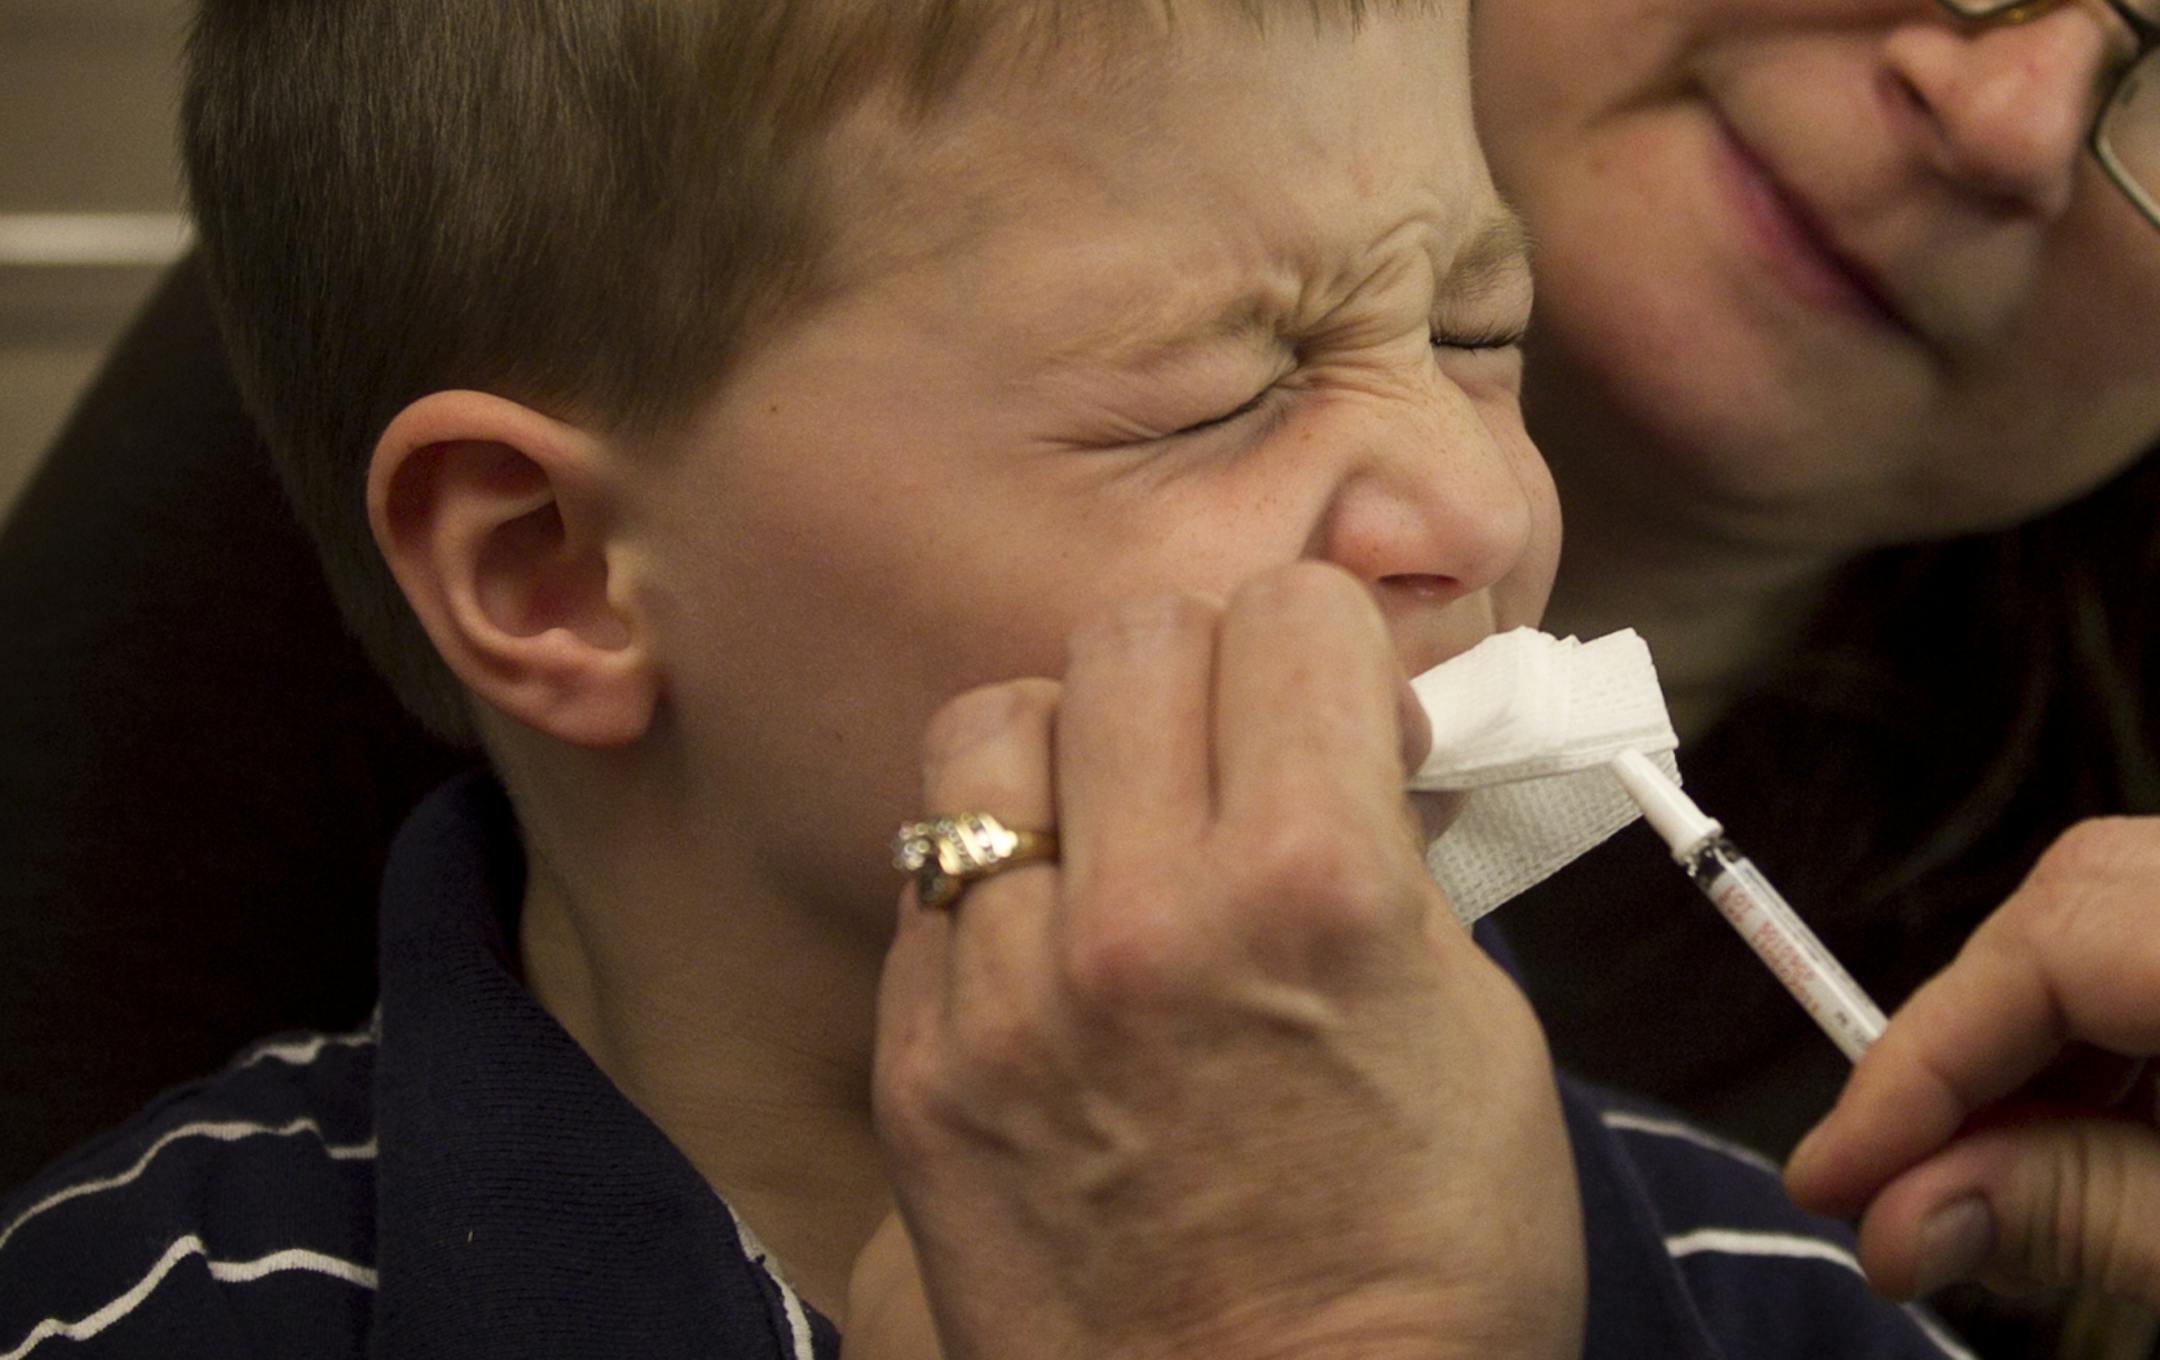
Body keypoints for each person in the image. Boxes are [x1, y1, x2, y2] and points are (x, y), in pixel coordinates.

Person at [0, 1, 1968, 1356]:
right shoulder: (142, 1307)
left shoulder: (1773, 1294)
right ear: (556, 571)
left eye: (1475, 323)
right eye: (1238, 379)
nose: (1484, 503)